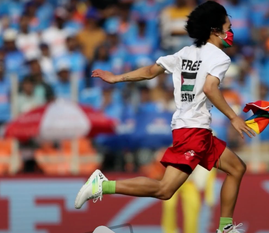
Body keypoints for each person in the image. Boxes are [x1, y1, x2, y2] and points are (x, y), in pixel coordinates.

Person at [75, 2, 254, 233]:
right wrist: (233, 117)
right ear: (215, 30)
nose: (231, 32)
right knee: (164, 190)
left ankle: (225, 227)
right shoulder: (220, 58)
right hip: (193, 131)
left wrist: (117, 78)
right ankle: (103, 185)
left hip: (193, 129)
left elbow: (150, 71)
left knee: (237, 168)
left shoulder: (185, 52)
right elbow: (211, 88)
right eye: (228, 26)